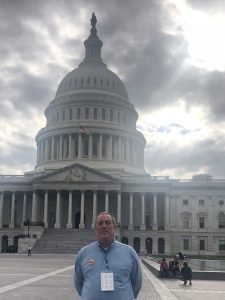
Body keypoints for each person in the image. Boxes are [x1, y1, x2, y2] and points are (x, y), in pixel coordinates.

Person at [74, 212, 142, 300]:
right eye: (100, 223)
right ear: (95, 228)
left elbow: (137, 282)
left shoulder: (129, 252)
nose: (104, 226)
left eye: (107, 222)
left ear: (114, 227)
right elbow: (78, 283)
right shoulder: (83, 253)